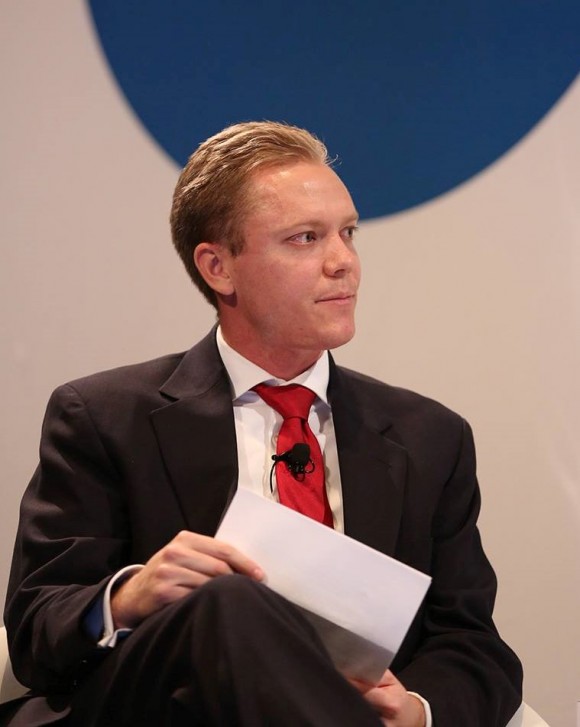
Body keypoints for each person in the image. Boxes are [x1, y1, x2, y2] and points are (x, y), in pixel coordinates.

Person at [3, 121, 522, 726]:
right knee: (228, 602)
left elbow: (474, 645)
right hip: (163, 711)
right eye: (305, 238)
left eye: (348, 233)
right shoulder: (104, 418)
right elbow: (36, 630)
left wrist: (414, 710)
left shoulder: (430, 438)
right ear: (218, 268)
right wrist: (127, 598)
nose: (343, 263)